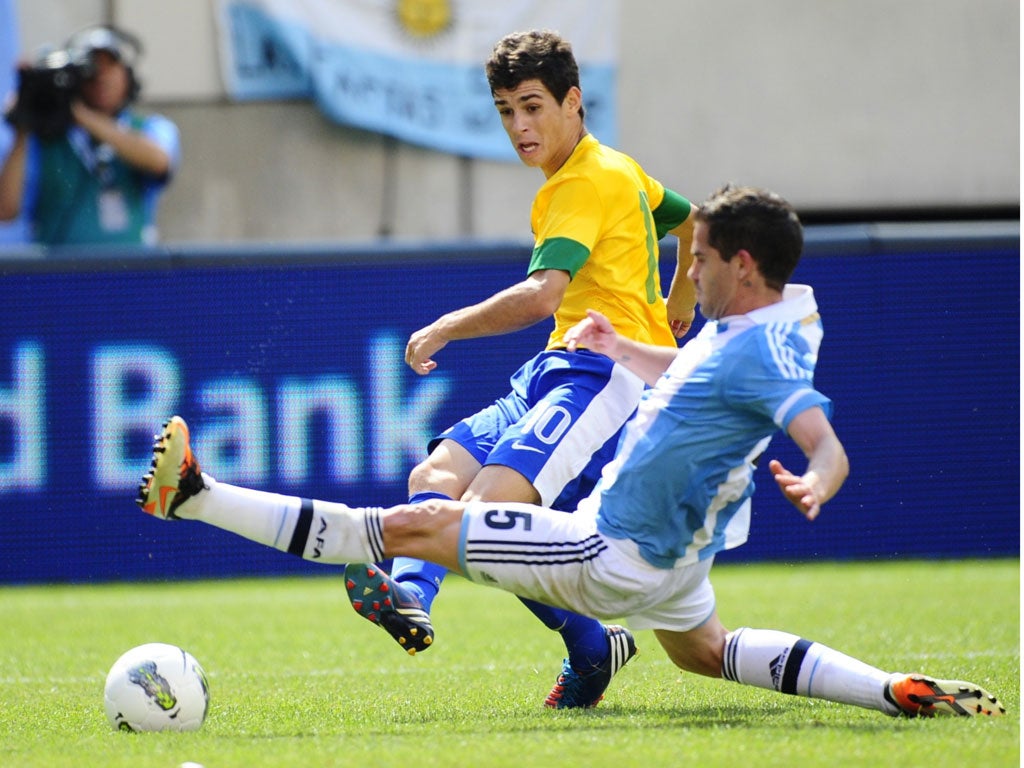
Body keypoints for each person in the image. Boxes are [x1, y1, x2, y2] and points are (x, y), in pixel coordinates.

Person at [137, 184, 1005, 718]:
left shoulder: (753, 351)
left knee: (415, 523)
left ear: (739, 265)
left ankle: (197, 497)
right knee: (706, 652)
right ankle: (889, 689)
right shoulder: (780, 313)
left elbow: (820, 436)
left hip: (611, 551)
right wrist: (625, 350)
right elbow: (699, 368)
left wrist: (819, 476)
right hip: (680, 569)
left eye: (696, 260)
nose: (685, 274)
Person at [349, 30, 696, 707]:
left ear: (574, 101)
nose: (519, 126)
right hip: (552, 369)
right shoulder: (618, 169)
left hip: (603, 377)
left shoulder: (582, 184)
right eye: (506, 110)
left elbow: (542, 297)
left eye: (533, 106)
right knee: (435, 477)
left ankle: (579, 644)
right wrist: (680, 293)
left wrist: (446, 326)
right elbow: (694, 221)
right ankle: (423, 601)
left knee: (488, 518)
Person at [0, 25, 180, 245]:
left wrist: (78, 114)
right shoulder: (45, 139)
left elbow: (158, 161)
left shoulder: (150, 127)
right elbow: (4, 211)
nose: (101, 77)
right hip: (57, 274)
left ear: (127, 75)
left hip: (131, 272)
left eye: (111, 66)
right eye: (92, 68)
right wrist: (22, 129)